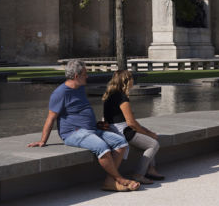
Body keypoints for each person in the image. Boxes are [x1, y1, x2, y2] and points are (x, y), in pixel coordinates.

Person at [28, 60, 139, 192]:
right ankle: (119, 179)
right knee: (102, 147)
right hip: (74, 133)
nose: (87, 76)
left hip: (92, 130)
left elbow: (80, 111)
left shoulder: (79, 88)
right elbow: (51, 117)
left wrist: (97, 124)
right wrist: (42, 141)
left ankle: (110, 181)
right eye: (85, 74)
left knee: (121, 142)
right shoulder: (60, 93)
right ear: (76, 76)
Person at [102, 70, 165, 184]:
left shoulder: (109, 95)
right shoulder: (122, 98)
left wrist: (147, 132)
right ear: (127, 81)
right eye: (131, 78)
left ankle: (151, 169)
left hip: (114, 130)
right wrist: (150, 134)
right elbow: (131, 123)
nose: (133, 81)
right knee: (153, 143)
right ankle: (139, 174)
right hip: (123, 131)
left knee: (148, 136)